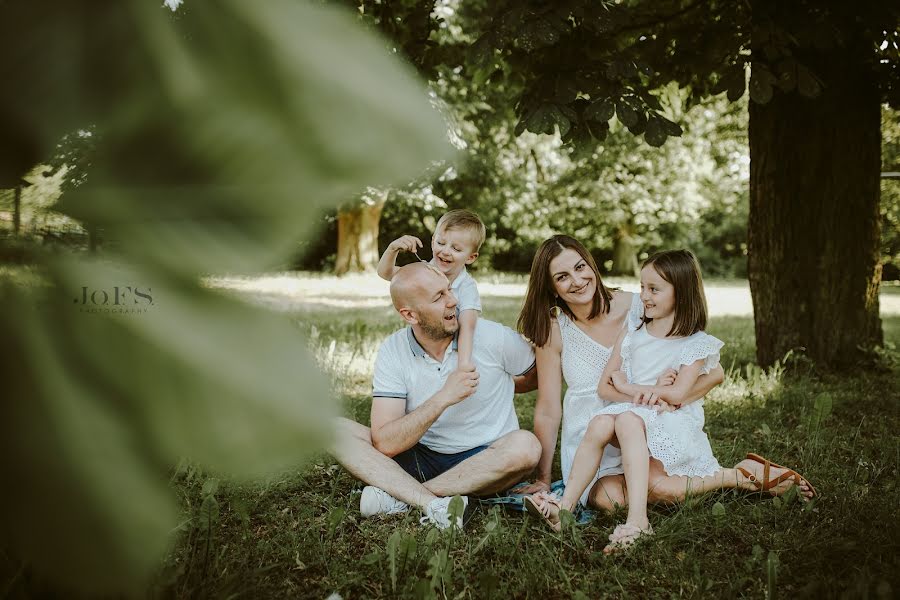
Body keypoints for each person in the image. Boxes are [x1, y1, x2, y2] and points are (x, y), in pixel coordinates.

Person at [516, 238, 814, 540]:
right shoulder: (553, 328)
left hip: (650, 421)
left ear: (592, 265)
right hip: (592, 435)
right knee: (612, 501)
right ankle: (727, 478)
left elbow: (713, 374)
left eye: (580, 267)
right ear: (552, 287)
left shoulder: (642, 303)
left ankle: (735, 476)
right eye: (562, 277)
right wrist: (543, 477)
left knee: (659, 489)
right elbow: (549, 408)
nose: (577, 281)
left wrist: (668, 398)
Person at [331, 262, 541, 530]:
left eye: (449, 290)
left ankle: (404, 497)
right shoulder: (393, 350)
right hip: (422, 456)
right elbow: (385, 442)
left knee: (526, 446)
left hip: (486, 458)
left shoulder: (491, 336)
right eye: (438, 297)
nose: (453, 300)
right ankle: (434, 503)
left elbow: (537, 375)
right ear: (410, 315)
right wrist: (444, 397)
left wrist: (506, 384)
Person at [377, 209, 486, 372]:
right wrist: (393, 249)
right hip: (424, 344)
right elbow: (386, 273)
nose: (446, 251)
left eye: (456, 249)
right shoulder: (423, 271)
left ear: (470, 257)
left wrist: (463, 363)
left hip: (457, 349)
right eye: (441, 243)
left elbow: (467, 326)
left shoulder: (466, 286)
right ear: (433, 240)